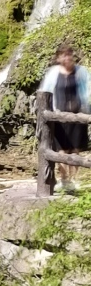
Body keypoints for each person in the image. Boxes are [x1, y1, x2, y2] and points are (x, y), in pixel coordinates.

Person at [39, 45, 90, 191]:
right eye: (63, 55)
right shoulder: (53, 73)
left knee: (75, 149)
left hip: (78, 116)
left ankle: (74, 180)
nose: (67, 58)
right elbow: (45, 91)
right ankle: (64, 180)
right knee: (61, 149)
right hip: (58, 117)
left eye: (69, 55)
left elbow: (87, 89)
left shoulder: (81, 72)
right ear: (58, 58)